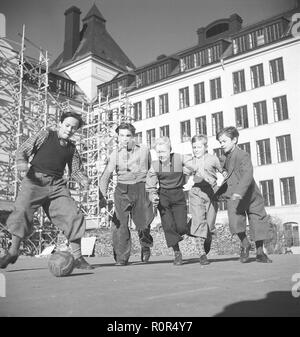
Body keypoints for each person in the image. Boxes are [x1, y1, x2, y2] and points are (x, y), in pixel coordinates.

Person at [0, 111, 94, 269]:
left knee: (73, 215)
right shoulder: (45, 135)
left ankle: (78, 258)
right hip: (34, 181)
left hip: (57, 186)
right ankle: (13, 251)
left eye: (74, 128)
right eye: (67, 125)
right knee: (21, 212)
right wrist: (22, 163)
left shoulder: (72, 148)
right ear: (60, 124)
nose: (69, 129)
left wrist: (84, 180)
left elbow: (76, 171)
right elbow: (23, 149)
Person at [99, 122, 154, 266]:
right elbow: (106, 176)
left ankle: (145, 245)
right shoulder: (115, 154)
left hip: (141, 188)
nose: (125, 139)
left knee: (143, 224)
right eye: (122, 135)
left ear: (133, 136)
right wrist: (102, 196)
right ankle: (122, 258)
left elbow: (151, 170)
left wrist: (153, 189)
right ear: (118, 137)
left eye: (128, 135)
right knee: (120, 224)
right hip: (122, 190)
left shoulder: (144, 150)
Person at [215, 126, 272, 263]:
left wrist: (239, 192)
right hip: (234, 194)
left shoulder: (243, 155)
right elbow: (222, 166)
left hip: (250, 194)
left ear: (234, 140)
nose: (221, 145)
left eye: (224, 141)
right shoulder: (223, 157)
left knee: (258, 221)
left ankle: (260, 253)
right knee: (235, 222)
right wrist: (223, 172)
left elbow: (248, 174)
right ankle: (245, 243)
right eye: (220, 142)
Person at [146, 137, 193, 265]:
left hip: (178, 194)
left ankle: (188, 228)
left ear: (170, 150)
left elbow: (194, 165)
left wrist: (188, 171)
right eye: (158, 152)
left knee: (181, 227)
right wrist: (153, 196)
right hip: (164, 196)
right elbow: (150, 185)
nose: (161, 155)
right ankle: (177, 253)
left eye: (163, 152)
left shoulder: (179, 158)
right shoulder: (155, 166)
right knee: (168, 225)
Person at [185, 134, 225, 265]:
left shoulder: (213, 159)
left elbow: (223, 171)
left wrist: (226, 178)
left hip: (211, 193)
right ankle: (201, 254)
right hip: (196, 192)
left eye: (199, 147)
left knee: (209, 224)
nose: (196, 150)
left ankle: (207, 238)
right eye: (194, 147)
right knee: (198, 222)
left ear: (206, 147)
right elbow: (185, 173)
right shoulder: (191, 161)